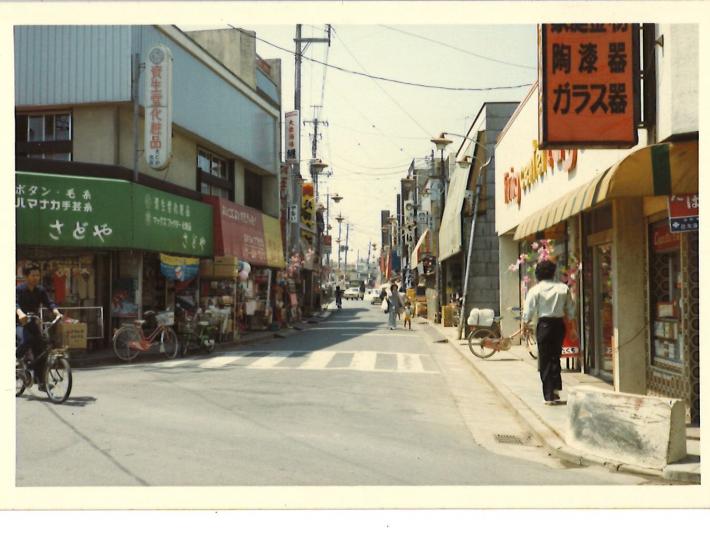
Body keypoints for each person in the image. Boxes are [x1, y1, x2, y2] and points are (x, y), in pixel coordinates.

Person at [523, 260, 575, 405]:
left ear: (538, 274)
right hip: (559, 325)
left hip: (544, 325)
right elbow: (571, 311)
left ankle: (548, 394)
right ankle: (556, 389)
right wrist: (572, 326)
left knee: (545, 359)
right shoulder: (563, 288)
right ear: (553, 273)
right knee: (555, 357)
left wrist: (524, 324)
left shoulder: (535, 290)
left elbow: (528, 311)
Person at [16, 263, 62, 389]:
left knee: (41, 350)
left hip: (33, 322)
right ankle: (15, 359)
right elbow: (14, 303)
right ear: (26, 276)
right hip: (18, 323)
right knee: (27, 340)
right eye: (33, 275)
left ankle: (41, 382)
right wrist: (20, 313)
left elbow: (49, 302)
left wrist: (56, 312)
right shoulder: (19, 289)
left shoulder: (40, 290)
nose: (36, 277)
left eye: (37, 275)